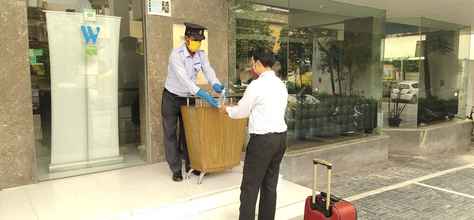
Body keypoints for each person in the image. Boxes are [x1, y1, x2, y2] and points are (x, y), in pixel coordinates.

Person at [221, 47, 288, 220]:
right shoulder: (281, 84)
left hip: (262, 141)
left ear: (258, 63)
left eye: (252, 63)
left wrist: (227, 110)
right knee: (270, 186)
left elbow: (242, 111)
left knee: (250, 187)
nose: (251, 66)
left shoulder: (256, 85)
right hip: (280, 139)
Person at [162, 22, 224, 182]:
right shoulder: (176, 55)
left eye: (200, 40)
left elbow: (208, 70)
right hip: (171, 96)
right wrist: (204, 94)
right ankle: (175, 169)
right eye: (195, 39)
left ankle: (192, 165)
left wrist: (215, 83)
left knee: (189, 132)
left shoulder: (201, 54)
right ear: (187, 38)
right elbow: (184, 81)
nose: (198, 43)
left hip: (187, 98)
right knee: (170, 133)